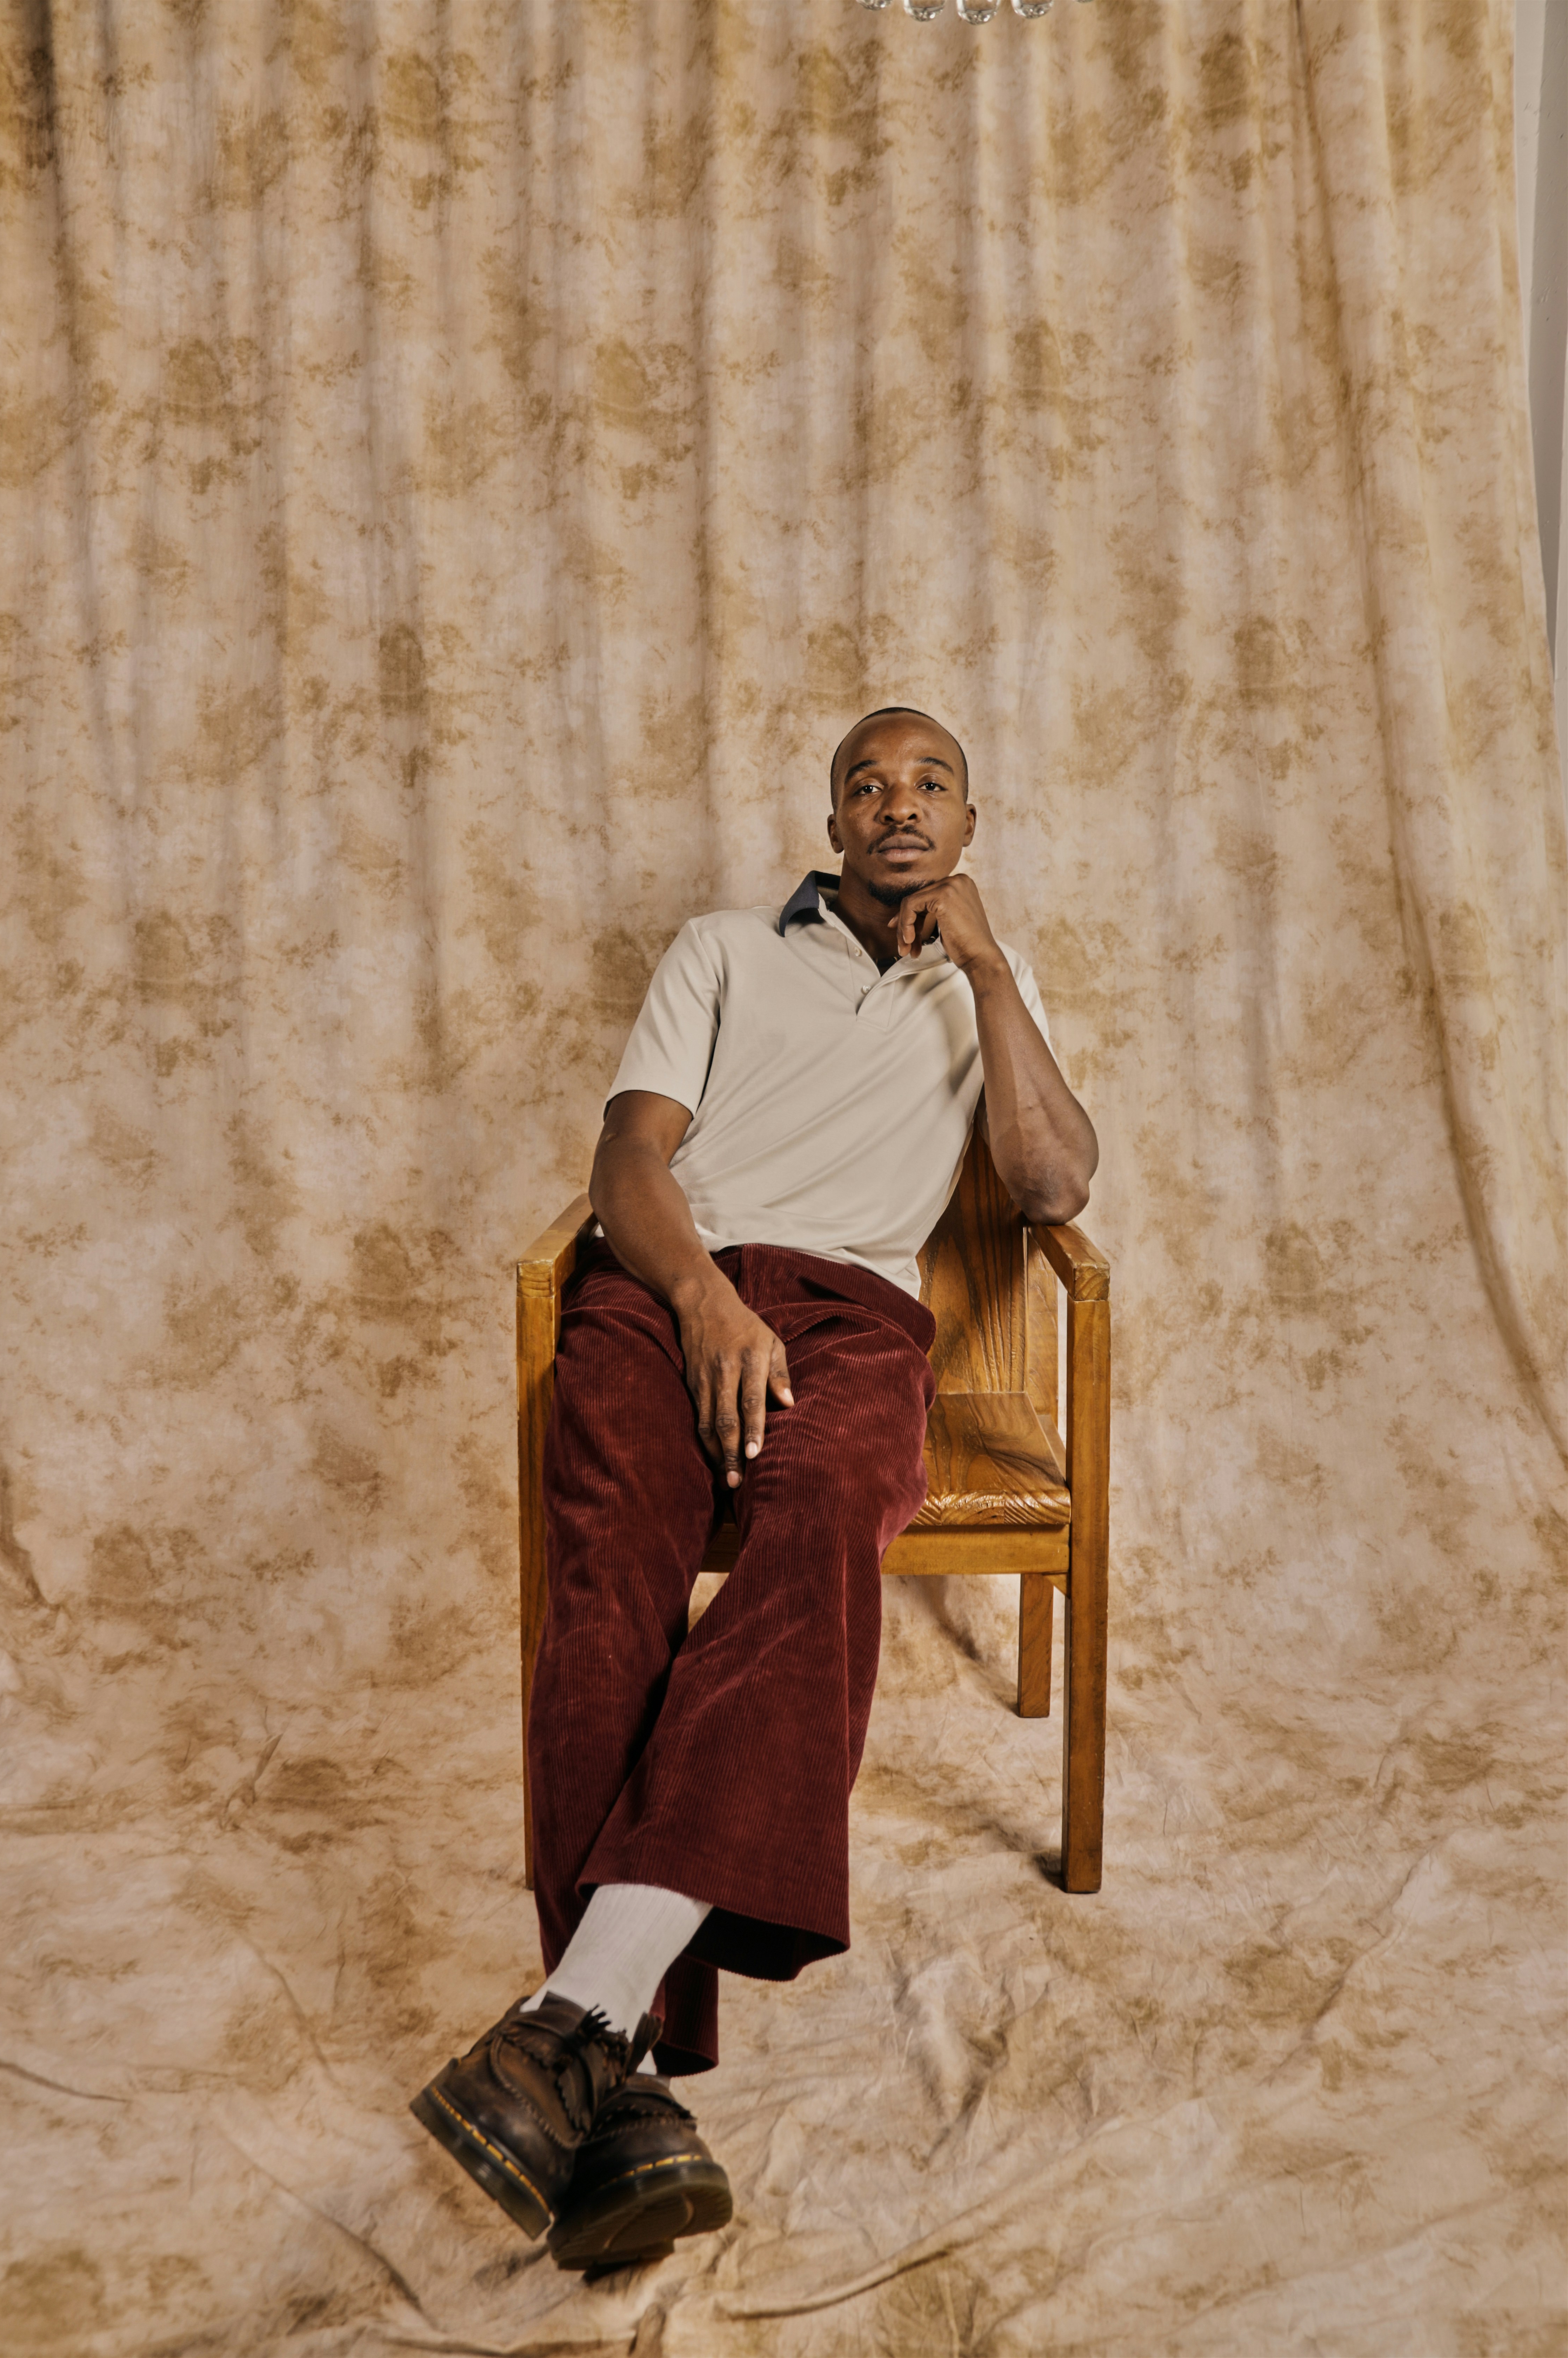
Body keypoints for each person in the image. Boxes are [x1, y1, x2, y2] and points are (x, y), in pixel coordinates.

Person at [411, 707, 1099, 2271]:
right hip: (665, 1292)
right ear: (835, 821)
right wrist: (702, 1300)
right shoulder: (724, 947)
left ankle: (572, 2026)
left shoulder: (987, 993)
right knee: (610, 1591)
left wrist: (988, 971)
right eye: (867, 783)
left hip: (857, 1319)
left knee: (819, 1531)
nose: (894, 804)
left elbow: (1052, 1184)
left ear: (967, 827)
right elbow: (629, 1160)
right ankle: (629, 2079)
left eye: (928, 784)